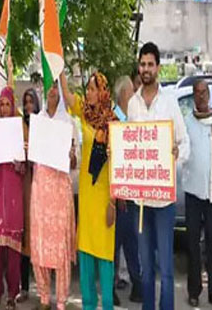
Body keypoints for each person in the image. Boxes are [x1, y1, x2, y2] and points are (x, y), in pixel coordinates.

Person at [127, 42, 189, 310]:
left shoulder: (170, 102)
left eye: (150, 64)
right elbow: (129, 144)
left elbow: (185, 143)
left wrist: (175, 155)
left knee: (165, 268)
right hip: (140, 201)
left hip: (163, 201)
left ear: (158, 68)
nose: (146, 69)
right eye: (142, 64)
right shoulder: (132, 104)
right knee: (146, 267)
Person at [60, 70, 118, 310]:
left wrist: (113, 202)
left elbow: (119, 165)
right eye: (88, 89)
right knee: (85, 254)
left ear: (102, 92)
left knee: (104, 256)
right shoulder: (85, 114)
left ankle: (107, 306)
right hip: (86, 196)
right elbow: (67, 95)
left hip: (105, 198)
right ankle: (88, 305)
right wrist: (60, 71)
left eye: (93, 89)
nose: (89, 93)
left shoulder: (114, 124)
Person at [30, 82, 77, 310]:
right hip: (40, 191)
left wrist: (71, 155)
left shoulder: (68, 122)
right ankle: (44, 297)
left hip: (59, 192)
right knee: (40, 244)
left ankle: (61, 301)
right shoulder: (38, 121)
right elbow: (32, 156)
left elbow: (75, 163)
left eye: (56, 87)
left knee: (60, 248)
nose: (52, 91)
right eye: (49, 86)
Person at [182, 79, 212, 309]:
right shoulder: (187, 123)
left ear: (208, 95)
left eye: (204, 92)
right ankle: (194, 291)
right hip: (193, 192)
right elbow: (183, 152)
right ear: (194, 96)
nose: (201, 96)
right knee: (192, 244)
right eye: (197, 93)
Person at [0, 86, 24, 310]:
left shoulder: (19, 130)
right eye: (1, 104)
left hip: (13, 194)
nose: (4, 108)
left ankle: (12, 294)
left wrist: (20, 164)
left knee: (12, 249)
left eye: (8, 104)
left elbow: (26, 163)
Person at [111, 76, 143, 305]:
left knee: (130, 240)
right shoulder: (114, 120)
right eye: (132, 91)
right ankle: (111, 286)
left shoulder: (131, 119)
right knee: (115, 244)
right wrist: (119, 191)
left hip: (131, 191)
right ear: (124, 94)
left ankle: (136, 284)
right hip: (117, 193)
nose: (135, 95)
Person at [18, 87, 40, 303]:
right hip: (25, 184)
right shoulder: (20, 126)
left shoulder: (44, 126)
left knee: (41, 235)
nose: (28, 106)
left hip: (42, 186)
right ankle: (24, 287)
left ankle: (44, 290)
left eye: (31, 102)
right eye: (25, 102)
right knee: (25, 233)